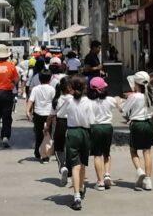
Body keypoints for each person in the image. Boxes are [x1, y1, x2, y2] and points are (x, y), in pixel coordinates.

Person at [57, 75, 94, 211]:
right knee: (83, 163)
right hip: (85, 132)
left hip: (72, 133)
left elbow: (60, 114)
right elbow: (92, 121)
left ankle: (77, 196)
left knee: (75, 165)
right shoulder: (88, 102)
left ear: (71, 88)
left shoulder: (69, 101)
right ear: (84, 87)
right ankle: (82, 187)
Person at [120, 71, 153, 191]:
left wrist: (121, 102)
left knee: (133, 150)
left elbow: (123, 110)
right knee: (147, 152)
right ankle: (148, 180)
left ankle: (139, 170)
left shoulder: (134, 96)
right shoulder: (151, 96)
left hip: (136, 125)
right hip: (148, 124)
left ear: (137, 84)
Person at [88, 77, 116, 191]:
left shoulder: (89, 102)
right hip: (108, 127)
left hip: (95, 128)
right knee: (107, 153)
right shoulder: (110, 100)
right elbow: (119, 105)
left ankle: (100, 182)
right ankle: (107, 174)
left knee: (97, 155)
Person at [46, 76, 72, 187]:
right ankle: (70, 172)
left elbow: (51, 115)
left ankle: (62, 166)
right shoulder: (74, 99)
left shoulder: (57, 99)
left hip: (60, 124)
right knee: (71, 148)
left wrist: (46, 127)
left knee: (58, 148)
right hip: (72, 124)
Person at [26, 69, 55, 163]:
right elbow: (54, 102)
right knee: (47, 134)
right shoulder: (52, 89)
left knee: (38, 134)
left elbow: (31, 100)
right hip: (49, 115)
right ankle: (45, 155)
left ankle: (37, 152)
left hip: (38, 114)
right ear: (50, 79)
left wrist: (27, 111)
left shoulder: (36, 89)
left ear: (39, 78)